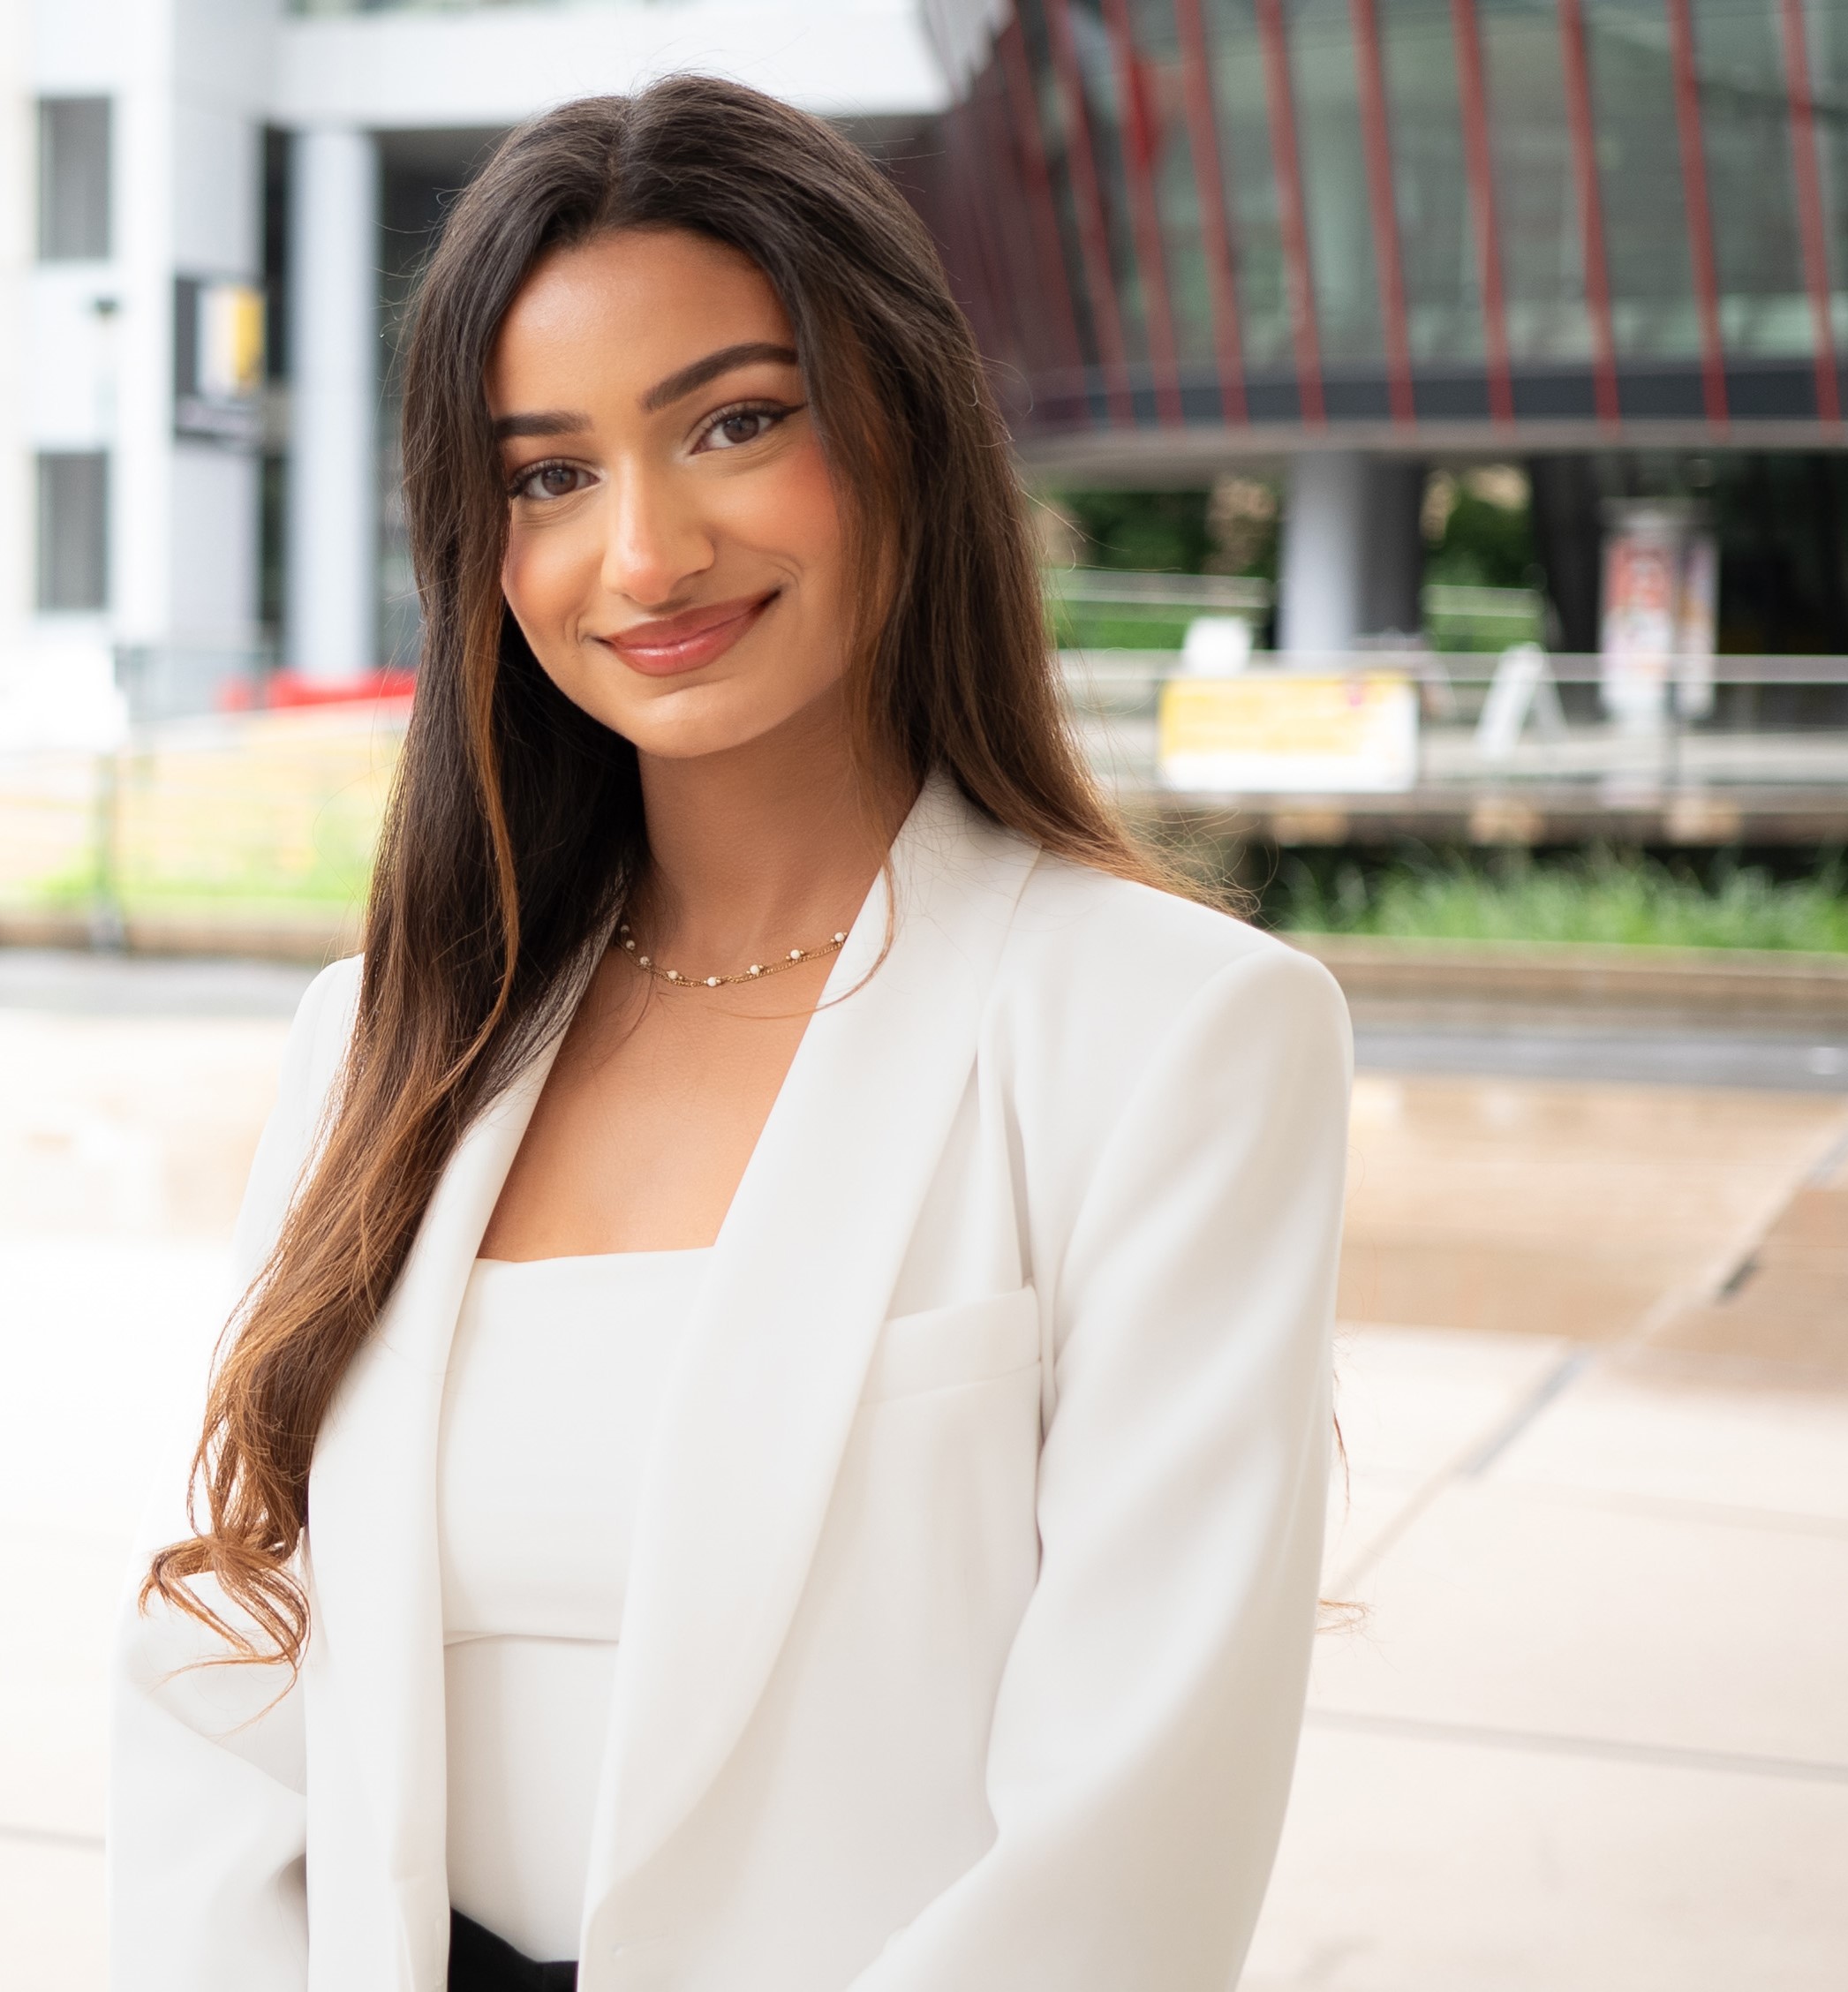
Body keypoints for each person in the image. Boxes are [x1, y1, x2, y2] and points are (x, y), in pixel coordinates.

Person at [109, 75, 1350, 1992]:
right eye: (549, 475)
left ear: (904, 440)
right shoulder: (382, 1040)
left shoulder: (1174, 1038)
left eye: (736, 423)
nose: (645, 554)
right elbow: (231, 1669)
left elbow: (1131, 1844)